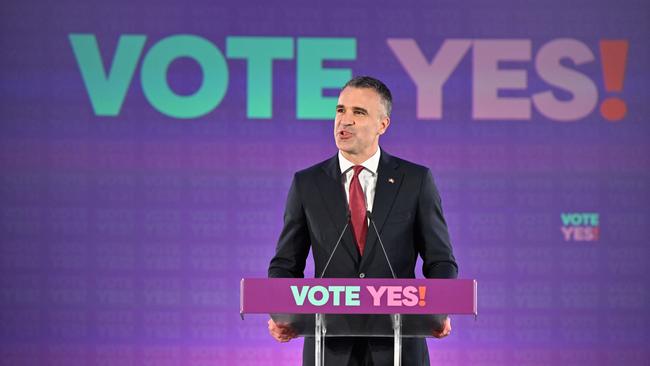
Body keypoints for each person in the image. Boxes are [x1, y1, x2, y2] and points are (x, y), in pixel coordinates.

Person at [267, 76, 457, 366]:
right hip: (329, 348)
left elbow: (440, 260)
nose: (345, 120)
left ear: (382, 125)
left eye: (359, 112)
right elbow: (285, 264)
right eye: (340, 110)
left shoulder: (415, 181)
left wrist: (439, 309)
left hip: (397, 346)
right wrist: (281, 313)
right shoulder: (307, 183)